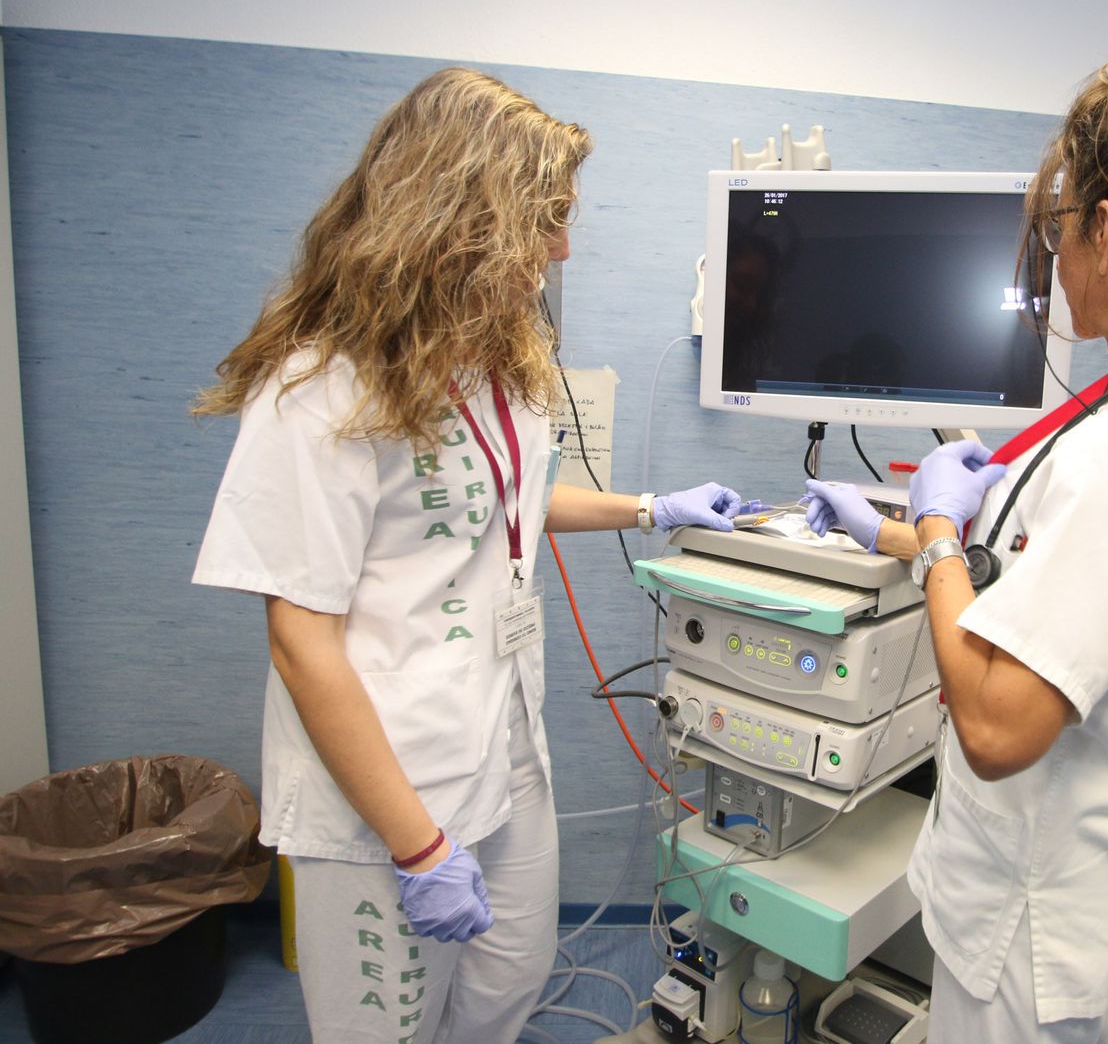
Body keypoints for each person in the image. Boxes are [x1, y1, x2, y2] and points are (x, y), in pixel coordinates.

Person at [191, 67, 746, 1044]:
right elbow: (299, 640)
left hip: (502, 741)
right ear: (460, 216)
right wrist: (415, 845)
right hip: (386, 789)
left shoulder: (492, 362)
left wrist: (650, 506)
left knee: (503, 990)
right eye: (546, 219)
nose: (563, 247)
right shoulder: (320, 388)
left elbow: (508, 505)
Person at [802, 11, 1108, 1044]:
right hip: (1081, 887)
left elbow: (994, 726)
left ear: (1105, 235)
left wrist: (934, 530)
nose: (1055, 258)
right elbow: (1053, 589)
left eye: (1060, 230)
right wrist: (891, 534)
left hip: (1035, 921)